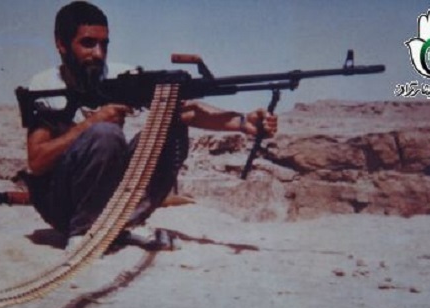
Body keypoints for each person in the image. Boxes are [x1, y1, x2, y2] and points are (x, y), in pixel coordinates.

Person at [22, 1, 278, 251]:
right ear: (61, 44)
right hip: (60, 203)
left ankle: (125, 222)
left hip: (108, 202)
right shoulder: (45, 84)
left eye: (104, 44)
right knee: (105, 134)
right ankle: (83, 231)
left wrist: (243, 122)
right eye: (88, 43)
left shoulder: (123, 76)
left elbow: (187, 111)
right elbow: (37, 161)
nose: (98, 53)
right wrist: (91, 123)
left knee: (170, 130)